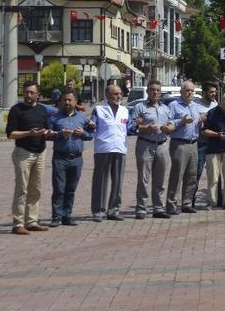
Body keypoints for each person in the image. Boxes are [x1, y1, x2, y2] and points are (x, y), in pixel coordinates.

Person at [6, 80, 53, 235]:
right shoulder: (16, 110)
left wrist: (47, 133)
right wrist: (29, 133)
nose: (28, 95)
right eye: (26, 92)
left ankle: (32, 221)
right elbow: (11, 134)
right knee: (22, 189)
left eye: (32, 92)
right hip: (23, 153)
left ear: (38, 94)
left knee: (36, 189)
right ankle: (18, 223)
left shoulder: (42, 110)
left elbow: (47, 129)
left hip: (40, 152)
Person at [47, 88, 92, 227]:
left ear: (75, 101)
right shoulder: (54, 117)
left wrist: (83, 133)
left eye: (69, 100)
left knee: (71, 189)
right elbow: (47, 134)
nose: (67, 102)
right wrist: (60, 134)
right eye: (64, 100)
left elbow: (90, 135)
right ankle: (56, 216)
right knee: (59, 188)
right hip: (60, 157)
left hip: (77, 158)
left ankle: (67, 215)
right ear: (60, 101)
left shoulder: (82, 118)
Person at [131, 80, 172, 220]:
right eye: (152, 90)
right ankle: (141, 209)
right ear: (147, 91)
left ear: (161, 92)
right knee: (143, 179)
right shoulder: (140, 107)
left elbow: (171, 124)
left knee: (160, 180)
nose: (155, 92)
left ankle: (158, 208)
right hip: (145, 145)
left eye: (157, 90)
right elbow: (131, 126)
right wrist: (145, 128)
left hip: (162, 145)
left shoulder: (166, 108)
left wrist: (170, 128)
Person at [89, 84, 130, 222]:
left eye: (120, 93)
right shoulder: (99, 110)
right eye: (115, 94)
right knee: (100, 181)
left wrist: (138, 125)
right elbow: (91, 126)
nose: (118, 96)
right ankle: (98, 211)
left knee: (118, 181)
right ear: (107, 95)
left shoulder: (125, 111)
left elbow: (129, 129)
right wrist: (91, 126)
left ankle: (114, 210)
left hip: (120, 149)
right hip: (103, 149)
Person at [165, 81, 203, 215]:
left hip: (194, 143)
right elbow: (168, 123)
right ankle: (171, 205)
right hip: (179, 143)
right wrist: (181, 121)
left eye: (192, 91)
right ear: (181, 92)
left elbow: (198, 125)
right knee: (177, 175)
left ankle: (186, 203)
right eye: (187, 90)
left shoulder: (195, 106)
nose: (190, 93)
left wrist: (201, 122)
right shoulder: (174, 106)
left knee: (191, 175)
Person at [192, 82, 219, 208]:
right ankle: (190, 199)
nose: (214, 94)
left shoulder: (215, 104)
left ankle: (216, 199)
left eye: (215, 91)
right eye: (211, 92)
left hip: (214, 143)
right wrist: (200, 119)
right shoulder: (195, 105)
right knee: (197, 171)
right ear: (204, 93)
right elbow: (191, 122)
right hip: (201, 143)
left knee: (215, 172)